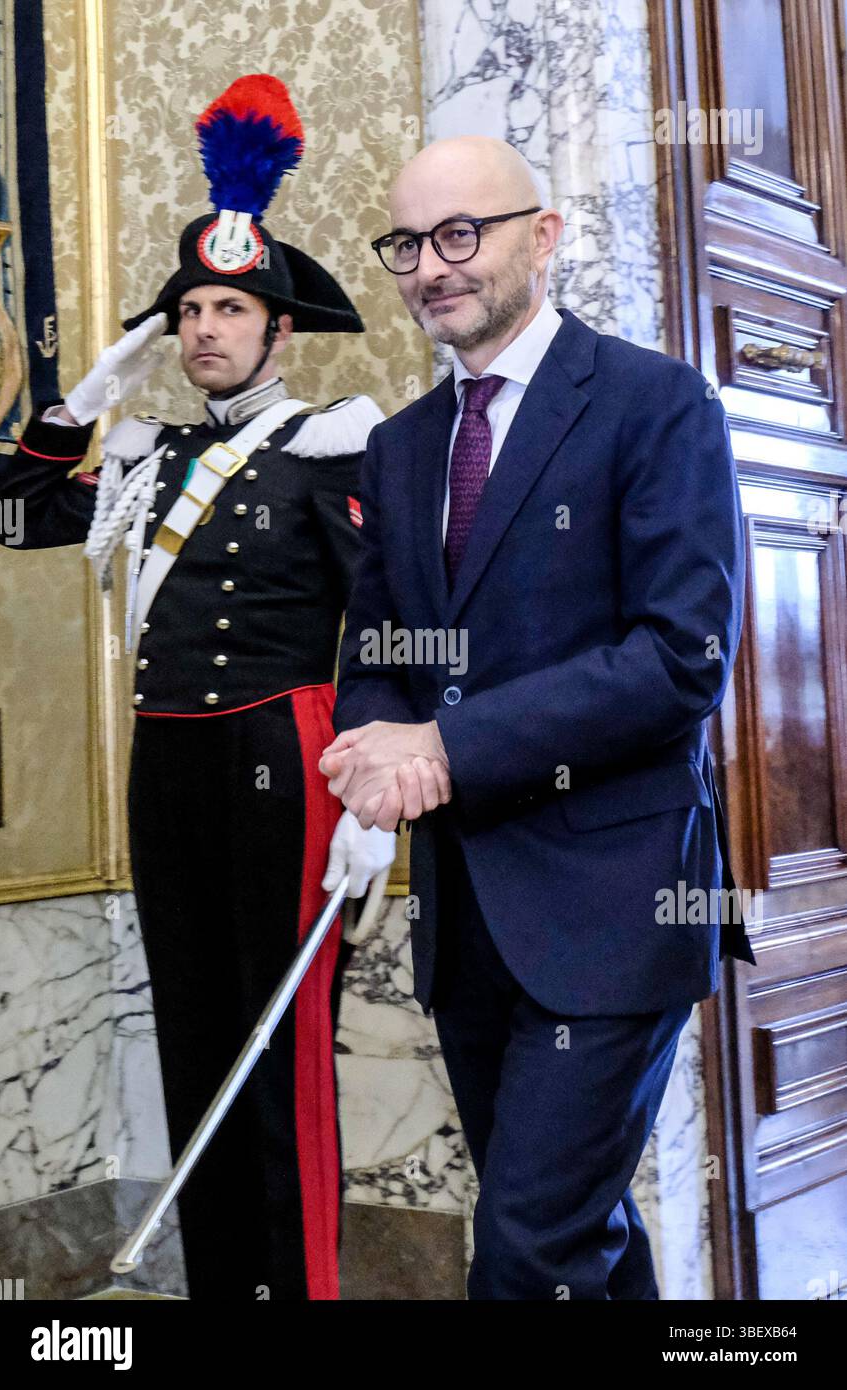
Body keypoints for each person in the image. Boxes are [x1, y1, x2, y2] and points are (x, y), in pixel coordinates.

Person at [319, 135, 756, 1300]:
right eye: (407, 243)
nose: (430, 267)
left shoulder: (655, 403)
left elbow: (677, 660)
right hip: (467, 924)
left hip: (617, 914)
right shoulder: (402, 446)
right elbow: (378, 653)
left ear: (542, 237)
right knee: (580, 1238)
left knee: (523, 1255)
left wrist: (445, 747)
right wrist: (372, 744)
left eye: (461, 233)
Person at [0, 75, 395, 1301]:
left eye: (231, 308)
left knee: (279, 1055)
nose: (205, 328)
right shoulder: (144, 458)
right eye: (189, 310)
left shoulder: (332, 447)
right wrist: (80, 402)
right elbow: (12, 513)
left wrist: (373, 791)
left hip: (284, 750)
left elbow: (387, 619)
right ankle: (223, 1284)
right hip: (164, 757)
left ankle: (296, 1289)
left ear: (281, 330)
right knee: (195, 1031)